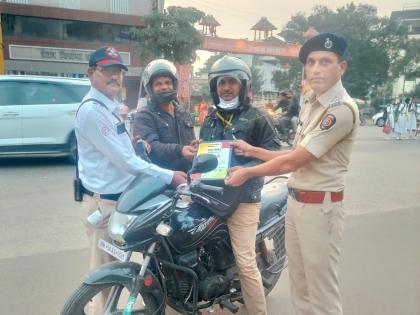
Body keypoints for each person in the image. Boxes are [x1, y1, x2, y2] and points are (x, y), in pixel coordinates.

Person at [225, 33, 359, 315]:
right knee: (300, 287)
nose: (316, 69)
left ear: (341, 67)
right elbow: (293, 154)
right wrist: (253, 151)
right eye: (311, 62)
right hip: (297, 205)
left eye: (325, 61)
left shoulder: (339, 111)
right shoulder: (313, 103)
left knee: (321, 294)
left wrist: (247, 173)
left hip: (321, 209)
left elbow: (293, 162)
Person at [75, 47, 187, 314]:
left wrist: (136, 145)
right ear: (91, 73)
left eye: (118, 72)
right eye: (107, 71)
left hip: (119, 202)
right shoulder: (94, 111)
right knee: (105, 276)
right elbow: (126, 162)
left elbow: (122, 151)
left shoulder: (108, 106)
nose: (115, 77)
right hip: (105, 207)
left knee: (117, 268)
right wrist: (170, 176)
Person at [200, 56, 281, 315]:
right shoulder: (210, 118)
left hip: (243, 200)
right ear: (215, 87)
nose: (226, 87)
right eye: (221, 82)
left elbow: (275, 156)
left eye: (232, 82)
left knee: (246, 263)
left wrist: (246, 171)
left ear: (243, 85)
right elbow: (205, 155)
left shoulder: (257, 117)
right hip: (210, 197)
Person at [132, 59, 197, 173]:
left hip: (188, 177)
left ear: (174, 85)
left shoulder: (183, 112)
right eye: (158, 84)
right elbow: (152, 147)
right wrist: (180, 150)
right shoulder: (144, 115)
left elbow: (190, 141)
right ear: (150, 88)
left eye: (168, 82)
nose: (164, 87)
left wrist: (194, 146)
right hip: (161, 180)